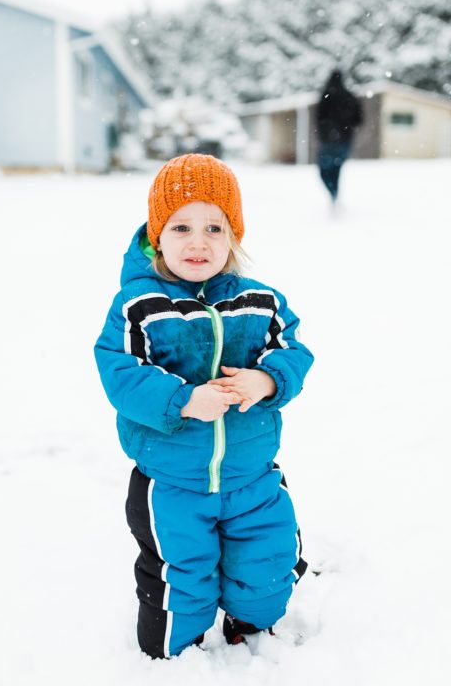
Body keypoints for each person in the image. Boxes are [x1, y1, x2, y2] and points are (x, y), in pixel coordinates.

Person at [93, 154, 313, 659]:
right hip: (172, 484)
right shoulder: (138, 306)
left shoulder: (261, 301)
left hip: (252, 475)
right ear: (157, 235)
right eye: (182, 227)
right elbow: (119, 371)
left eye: (215, 227)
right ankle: (177, 656)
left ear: (234, 236)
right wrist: (185, 399)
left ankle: (251, 619)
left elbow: (294, 351)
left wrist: (266, 379)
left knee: (267, 566)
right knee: (181, 581)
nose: (199, 242)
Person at [314, 69, 362, 203]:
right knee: (336, 170)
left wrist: (326, 132)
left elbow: (318, 118)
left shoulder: (326, 96)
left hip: (328, 142)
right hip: (344, 142)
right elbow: (358, 120)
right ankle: (334, 196)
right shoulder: (350, 97)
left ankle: (333, 194)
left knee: (324, 172)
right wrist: (346, 127)